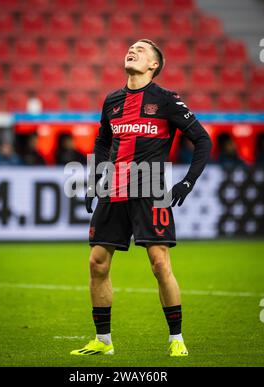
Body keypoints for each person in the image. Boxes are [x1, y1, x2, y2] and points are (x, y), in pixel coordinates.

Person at [70, 39, 212, 357]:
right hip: (114, 190)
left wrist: (188, 182)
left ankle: (176, 339)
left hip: (151, 190)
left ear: (154, 65)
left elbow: (202, 140)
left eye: (142, 50)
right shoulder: (112, 101)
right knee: (97, 263)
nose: (132, 51)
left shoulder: (166, 100)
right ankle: (103, 341)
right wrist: (95, 180)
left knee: (160, 264)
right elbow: (103, 140)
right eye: (131, 47)